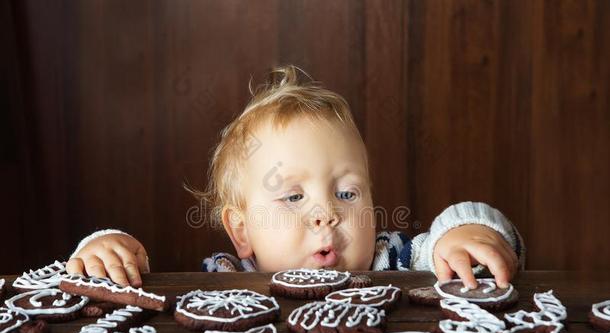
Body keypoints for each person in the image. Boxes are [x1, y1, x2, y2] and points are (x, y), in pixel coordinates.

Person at [66, 65, 524, 289]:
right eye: (291, 197)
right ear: (241, 231)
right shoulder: (222, 281)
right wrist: (106, 251)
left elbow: (458, 248)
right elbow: (143, 291)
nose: (326, 213)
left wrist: (466, 231)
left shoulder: (396, 260)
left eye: (347, 192)